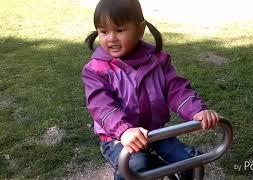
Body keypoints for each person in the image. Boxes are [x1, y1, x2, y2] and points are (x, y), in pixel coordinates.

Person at [81, 0, 220, 179]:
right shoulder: (96, 70)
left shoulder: (157, 60)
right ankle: (152, 165)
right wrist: (124, 130)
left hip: (155, 132)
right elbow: (102, 106)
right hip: (118, 137)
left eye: (120, 30)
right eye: (103, 31)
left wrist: (198, 111)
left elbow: (175, 88)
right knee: (136, 168)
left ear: (140, 29)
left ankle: (170, 168)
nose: (111, 38)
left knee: (189, 164)